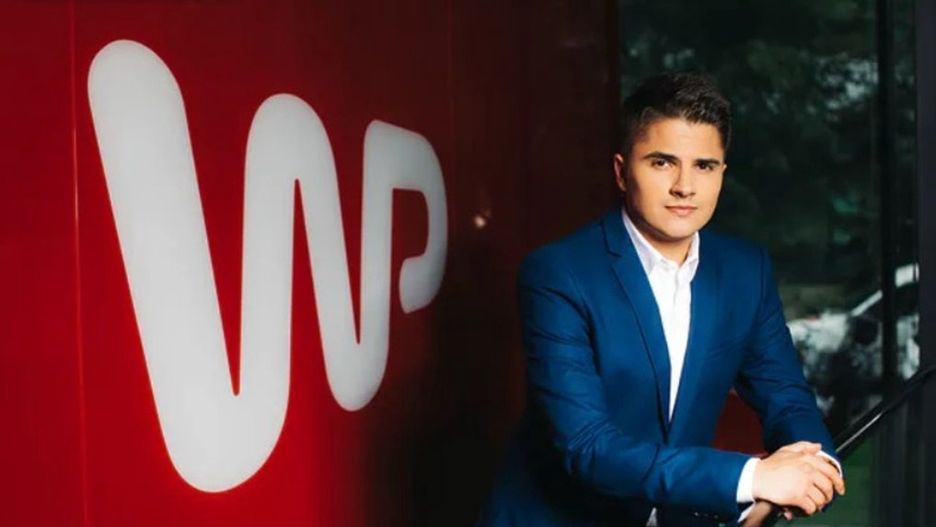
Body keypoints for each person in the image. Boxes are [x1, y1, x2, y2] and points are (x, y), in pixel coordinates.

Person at [479, 73, 845, 526]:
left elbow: (787, 398)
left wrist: (811, 472)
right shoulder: (559, 274)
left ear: (722, 174)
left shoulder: (745, 271)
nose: (684, 186)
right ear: (621, 171)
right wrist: (751, 480)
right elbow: (588, 447)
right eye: (662, 162)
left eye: (704, 166)